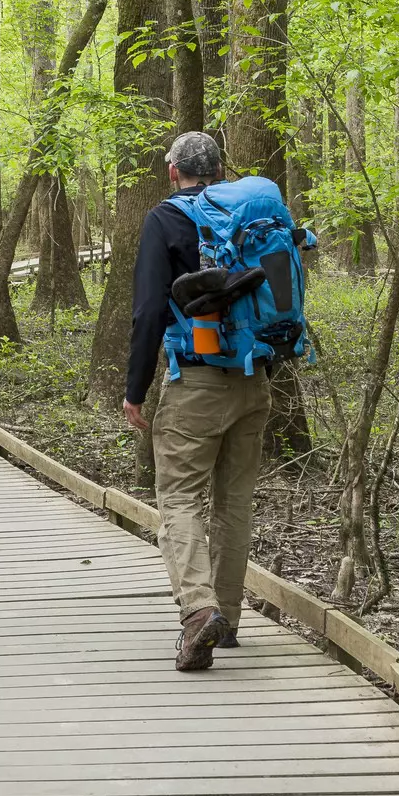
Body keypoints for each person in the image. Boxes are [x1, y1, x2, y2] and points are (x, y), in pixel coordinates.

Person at [122, 131, 269, 671]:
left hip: (196, 384)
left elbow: (147, 312)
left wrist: (136, 389)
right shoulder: (248, 221)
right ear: (220, 170)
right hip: (254, 381)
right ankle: (226, 617)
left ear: (171, 171)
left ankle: (199, 612)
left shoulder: (166, 219)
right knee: (234, 502)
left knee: (180, 499)